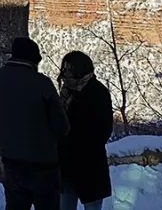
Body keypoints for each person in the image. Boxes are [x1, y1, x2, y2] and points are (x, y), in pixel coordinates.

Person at [0, 37, 70, 210]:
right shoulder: (42, 83)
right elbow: (61, 126)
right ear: (33, 60)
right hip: (44, 164)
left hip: (12, 162)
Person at [57, 51, 113, 210]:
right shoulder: (66, 92)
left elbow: (104, 129)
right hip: (66, 166)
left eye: (69, 68)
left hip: (90, 165)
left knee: (92, 206)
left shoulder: (98, 92)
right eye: (64, 68)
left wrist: (77, 142)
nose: (65, 72)